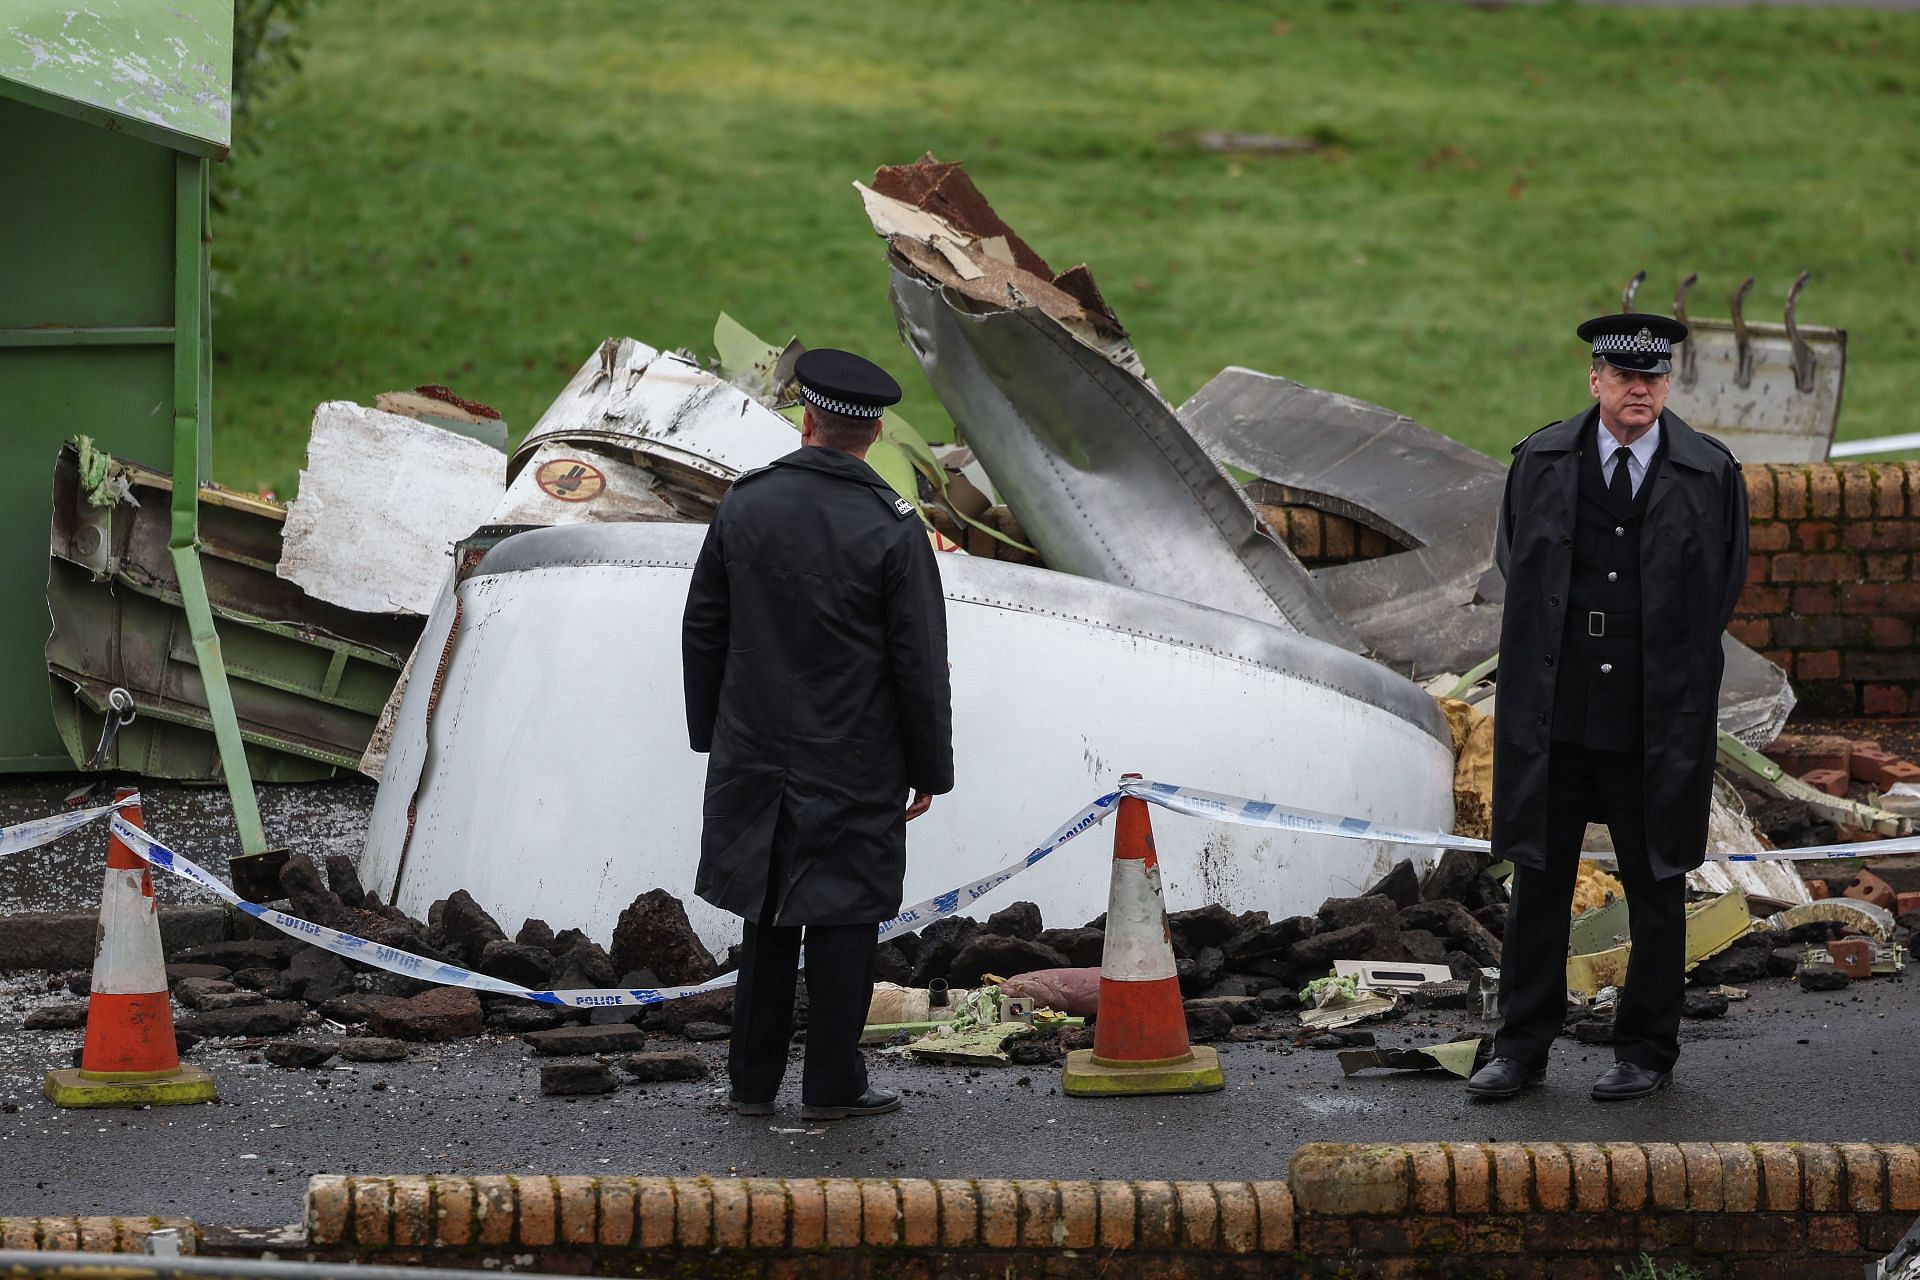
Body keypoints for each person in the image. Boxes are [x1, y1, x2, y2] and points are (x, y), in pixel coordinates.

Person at [1466, 313, 1748, 1103]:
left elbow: (1721, 589)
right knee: (1539, 882)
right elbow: (1515, 561)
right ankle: (1520, 1047)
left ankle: (1647, 1050)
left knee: (1657, 885)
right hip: (1556, 711)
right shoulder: (1543, 460)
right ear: (1595, 381)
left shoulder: (1708, 473)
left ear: (1667, 384)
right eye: (1625, 378)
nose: (1639, 390)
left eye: (1653, 378)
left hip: (1653, 716)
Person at [682, 347, 954, 1121]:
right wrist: (929, 766)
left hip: (754, 749)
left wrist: (713, 733)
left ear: (807, 419)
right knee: (845, 915)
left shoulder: (746, 503)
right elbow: (918, 663)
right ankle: (833, 1086)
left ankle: (751, 1083)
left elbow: (703, 627)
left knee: (765, 912)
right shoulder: (893, 528)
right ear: (871, 437)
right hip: (857, 756)